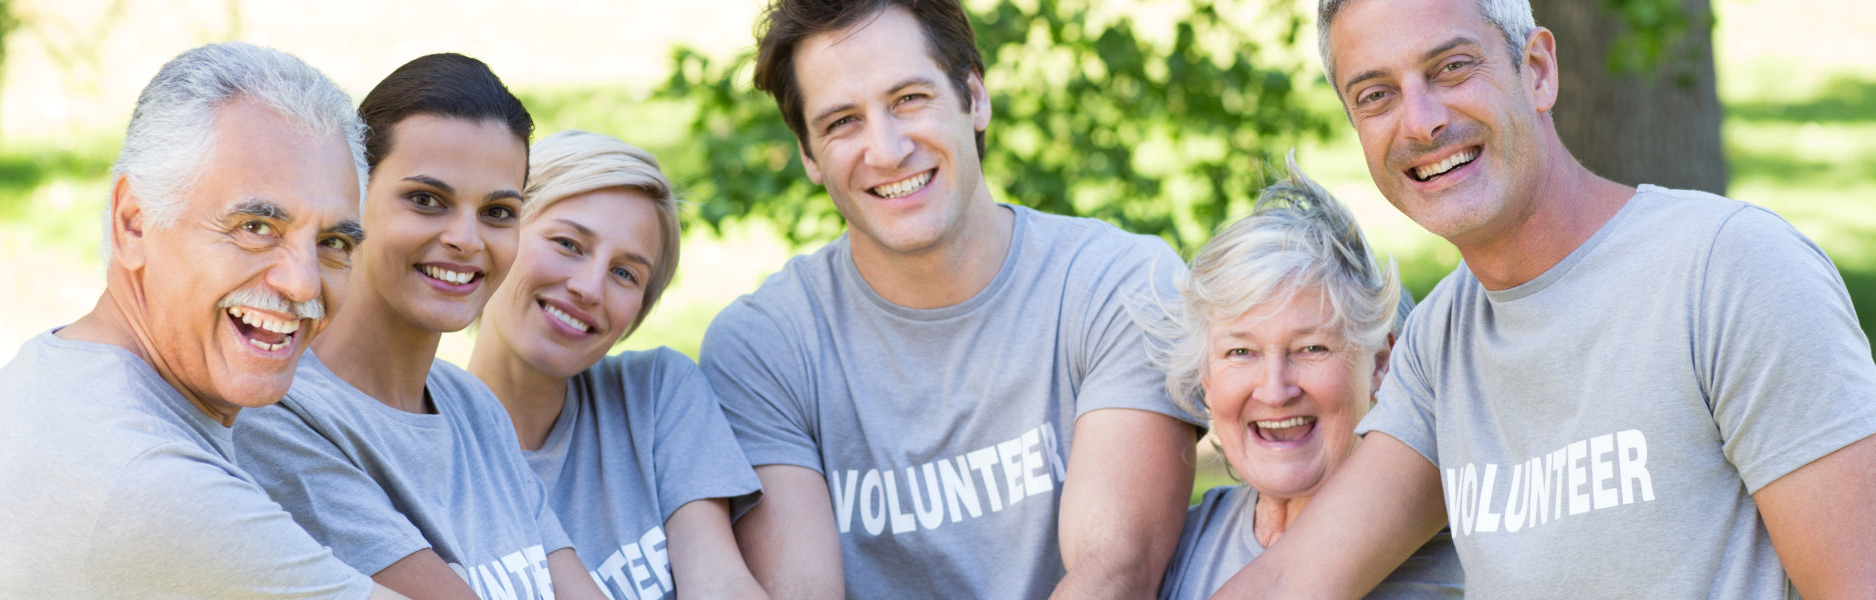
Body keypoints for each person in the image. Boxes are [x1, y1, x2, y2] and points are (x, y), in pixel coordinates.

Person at [1218, 0, 1876, 597]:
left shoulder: (1730, 271)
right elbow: (1291, 581)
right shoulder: (1441, 340)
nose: (1420, 123)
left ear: (1536, 70)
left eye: (1451, 68)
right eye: (1376, 95)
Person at [700, 0, 1203, 596]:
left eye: (909, 99)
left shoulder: (1118, 284)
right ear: (809, 156)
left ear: (975, 97)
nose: (886, 151)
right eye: (842, 122)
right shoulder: (763, 348)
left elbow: (1114, 575)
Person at [0, 42, 405, 599]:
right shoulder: (156, 485)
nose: (303, 283)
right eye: (255, 227)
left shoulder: (40, 384)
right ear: (135, 224)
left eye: (333, 242)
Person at [232, 54, 603, 600]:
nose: (467, 239)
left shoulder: (474, 409)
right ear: (350, 199)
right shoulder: (278, 416)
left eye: (498, 211)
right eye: (427, 200)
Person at [469, 130, 767, 599]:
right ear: (502, 231)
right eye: (568, 243)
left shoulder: (655, 395)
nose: (589, 288)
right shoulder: (419, 449)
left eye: (625, 273)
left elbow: (722, 584)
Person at [1149, 159, 1459, 599]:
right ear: (1206, 377)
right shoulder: (1178, 545)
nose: (1275, 391)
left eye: (1311, 348)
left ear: (1380, 362)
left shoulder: (1443, 543)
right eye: (1241, 352)